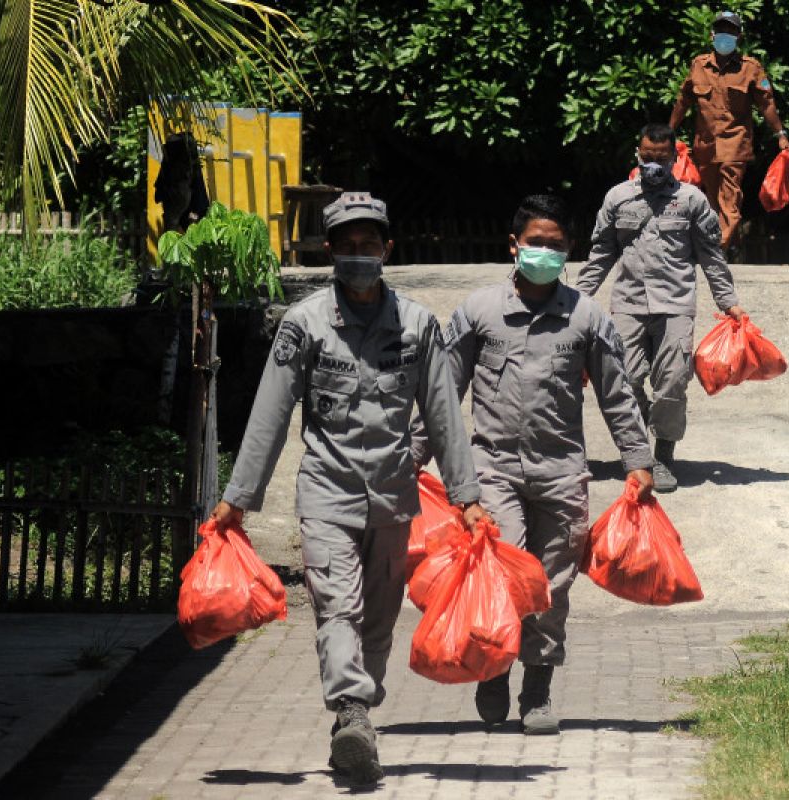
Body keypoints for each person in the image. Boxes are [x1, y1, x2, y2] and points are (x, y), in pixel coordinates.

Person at [210, 192, 488, 787]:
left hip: (394, 499)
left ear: (387, 250)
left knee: (381, 622)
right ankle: (352, 712)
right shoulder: (303, 325)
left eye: (369, 246)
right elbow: (270, 414)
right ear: (331, 251)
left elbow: (443, 414)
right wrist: (239, 498)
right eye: (347, 247)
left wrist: (466, 497)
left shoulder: (418, 326)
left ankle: (355, 717)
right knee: (339, 607)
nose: (359, 256)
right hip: (326, 495)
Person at [411, 194, 655, 735]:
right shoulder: (478, 312)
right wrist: (412, 459)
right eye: (535, 243)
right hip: (491, 470)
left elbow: (616, 395)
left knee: (550, 586)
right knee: (503, 572)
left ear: (568, 250)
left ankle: (538, 686)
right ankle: (494, 668)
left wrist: (639, 460)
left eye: (555, 244)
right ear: (514, 246)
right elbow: (443, 397)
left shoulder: (587, 317)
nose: (544, 252)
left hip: (562, 472)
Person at [576, 123, 745, 493]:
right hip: (629, 304)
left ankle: (664, 455)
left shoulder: (691, 200)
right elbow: (601, 253)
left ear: (674, 157)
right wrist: (577, 299)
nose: (653, 165)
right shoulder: (618, 198)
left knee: (671, 381)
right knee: (625, 380)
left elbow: (711, 257)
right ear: (638, 154)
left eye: (661, 159)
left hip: (675, 306)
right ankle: (639, 454)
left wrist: (728, 300)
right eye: (647, 158)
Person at [669, 9, 789, 256]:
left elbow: (767, 104)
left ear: (739, 36)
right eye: (721, 30)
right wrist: (668, 132)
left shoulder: (751, 68)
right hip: (705, 146)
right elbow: (683, 101)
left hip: (735, 144)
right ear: (712, 35)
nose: (725, 35)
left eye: (731, 31)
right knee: (711, 199)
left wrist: (780, 134)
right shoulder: (698, 65)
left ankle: (715, 248)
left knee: (730, 196)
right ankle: (725, 245)